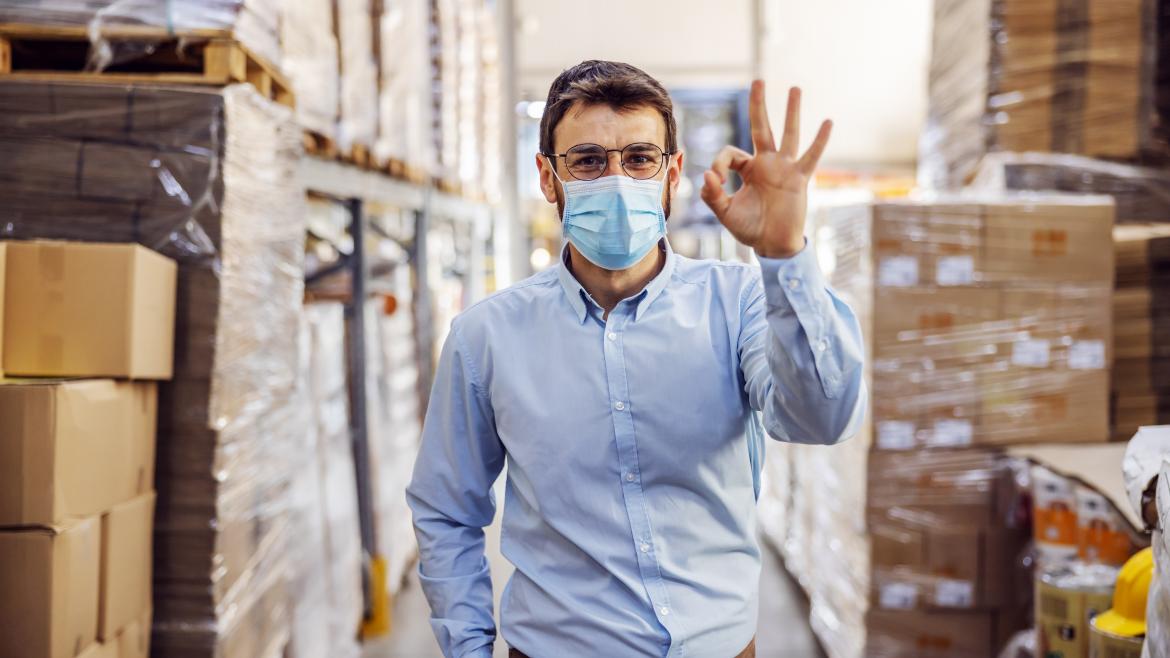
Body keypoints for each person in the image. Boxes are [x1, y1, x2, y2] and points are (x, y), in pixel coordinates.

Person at [407, 60, 866, 658]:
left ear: (671, 173)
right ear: (549, 179)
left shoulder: (740, 304)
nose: (617, 179)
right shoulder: (486, 336)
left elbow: (822, 418)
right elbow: (446, 511)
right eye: (589, 160)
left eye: (639, 159)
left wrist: (785, 257)